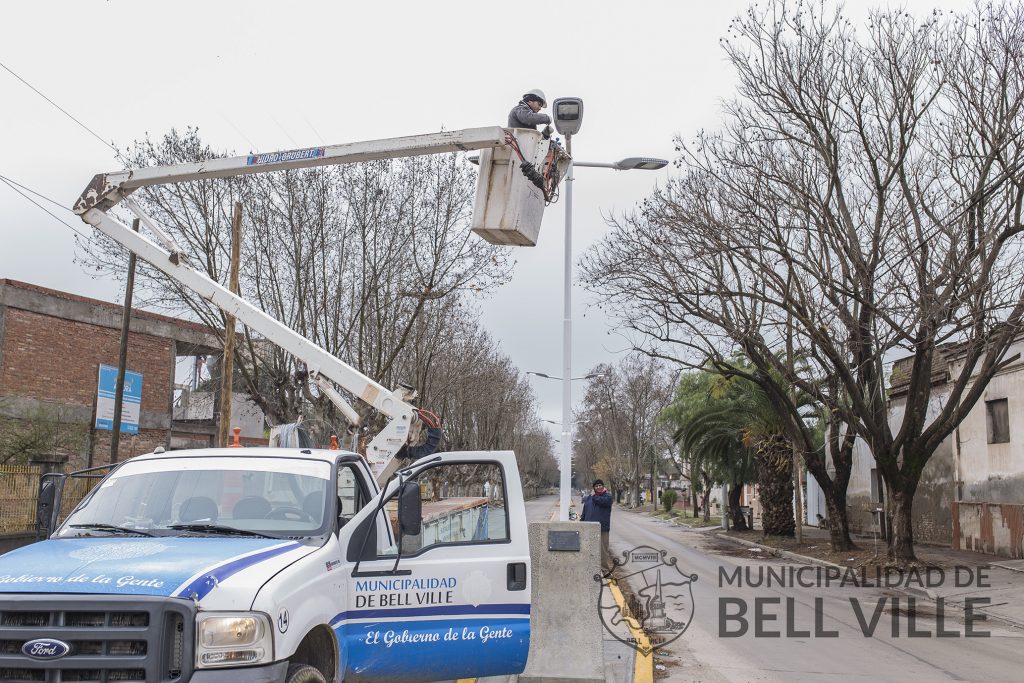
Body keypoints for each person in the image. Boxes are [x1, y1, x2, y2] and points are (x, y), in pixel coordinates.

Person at [581, 479, 613, 574]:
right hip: (589, 527)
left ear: (603, 486)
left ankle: (605, 570)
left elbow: (602, 502)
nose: (598, 487)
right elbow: (585, 511)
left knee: (603, 550)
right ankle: (589, 568)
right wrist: (581, 522)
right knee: (588, 548)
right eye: (596, 486)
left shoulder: (607, 497)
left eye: (600, 485)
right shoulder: (589, 498)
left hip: (602, 528)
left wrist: (594, 496)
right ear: (594, 488)